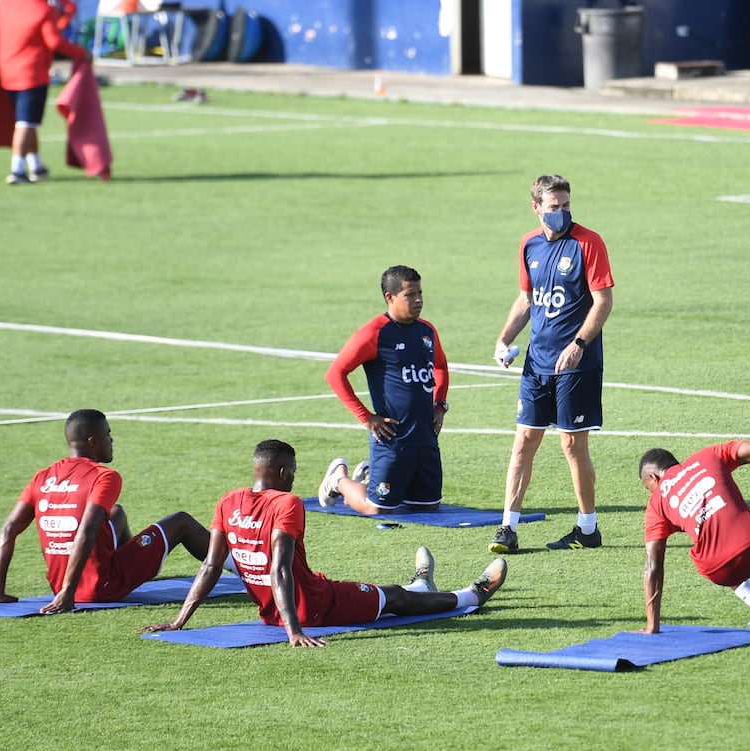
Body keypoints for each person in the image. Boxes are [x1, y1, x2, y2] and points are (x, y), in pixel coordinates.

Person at [140, 440, 508, 648]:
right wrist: (295, 629)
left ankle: (422, 583)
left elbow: (209, 566)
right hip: (315, 606)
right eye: (295, 472)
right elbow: (280, 569)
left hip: (275, 610)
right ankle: (472, 596)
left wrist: (179, 621)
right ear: (284, 473)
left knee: (391, 594)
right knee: (394, 598)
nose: (295, 477)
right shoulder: (286, 503)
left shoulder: (228, 500)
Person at [489, 174, 615, 553]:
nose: (561, 212)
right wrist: (504, 339)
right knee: (524, 440)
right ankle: (507, 529)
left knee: (572, 445)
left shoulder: (588, 243)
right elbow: (526, 299)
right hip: (536, 362)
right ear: (537, 208)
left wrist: (579, 343)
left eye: (566, 205)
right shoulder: (529, 245)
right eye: (554, 207)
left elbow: (603, 300)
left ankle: (587, 528)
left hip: (576, 364)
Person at [0, 409, 209, 614]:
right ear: (93, 442)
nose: (111, 440)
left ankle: (133, 568)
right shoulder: (104, 476)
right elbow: (87, 530)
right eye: (108, 434)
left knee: (116, 513)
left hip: (58, 585)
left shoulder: (43, 476)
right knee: (181, 522)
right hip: (99, 586)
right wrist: (69, 593)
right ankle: (241, 569)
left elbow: (8, 529)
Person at [637, 441, 750, 637]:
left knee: (715, 546)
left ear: (653, 477)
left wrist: (652, 626)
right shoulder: (708, 455)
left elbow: (652, 566)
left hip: (717, 569)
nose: (651, 492)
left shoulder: (656, 504)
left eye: (648, 487)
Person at [320, 265, 450, 515]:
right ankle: (339, 479)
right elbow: (335, 374)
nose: (419, 300)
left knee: (427, 507)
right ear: (390, 298)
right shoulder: (373, 333)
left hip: (425, 438)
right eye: (410, 295)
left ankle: (368, 477)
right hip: (393, 440)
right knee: (377, 508)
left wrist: (440, 405)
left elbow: (441, 367)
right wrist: (366, 417)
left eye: (420, 293)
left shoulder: (427, 331)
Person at [0, 0, 92, 184]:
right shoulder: (43, 9)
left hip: (6, 73)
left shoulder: (3, 6)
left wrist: (10, 37)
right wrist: (81, 52)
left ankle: (36, 165)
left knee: (27, 122)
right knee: (26, 123)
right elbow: (54, 42)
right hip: (32, 74)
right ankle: (17, 170)